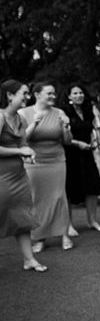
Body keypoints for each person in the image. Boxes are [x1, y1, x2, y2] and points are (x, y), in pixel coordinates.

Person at [18, 82, 74, 254]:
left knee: (59, 196)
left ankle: (64, 234)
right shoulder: (23, 113)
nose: (53, 96)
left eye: (54, 93)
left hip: (57, 159)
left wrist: (65, 127)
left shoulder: (59, 113)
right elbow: (21, 140)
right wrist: (34, 123)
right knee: (37, 198)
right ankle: (40, 237)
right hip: (34, 161)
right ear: (37, 94)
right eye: (49, 93)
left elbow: (68, 140)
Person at [0, 80, 47, 272]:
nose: (28, 97)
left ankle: (29, 259)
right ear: (10, 96)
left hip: (18, 175)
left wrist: (29, 153)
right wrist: (20, 152)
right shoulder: (0, 117)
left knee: (22, 217)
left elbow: (23, 145)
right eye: (24, 94)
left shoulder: (21, 119)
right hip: (1, 176)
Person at [61, 83, 100, 235]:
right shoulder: (64, 112)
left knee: (92, 186)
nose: (79, 95)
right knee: (70, 189)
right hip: (70, 153)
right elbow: (60, 136)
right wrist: (77, 143)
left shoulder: (88, 111)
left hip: (87, 153)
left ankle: (91, 220)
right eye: (75, 93)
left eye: (81, 93)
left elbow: (94, 130)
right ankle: (69, 224)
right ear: (69, 96)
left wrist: (93, 142)